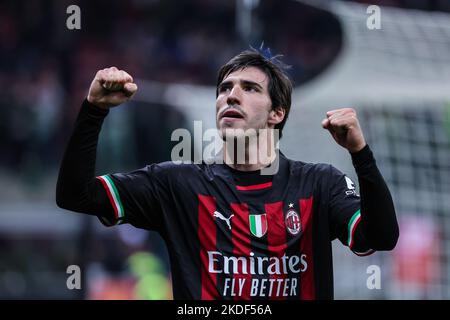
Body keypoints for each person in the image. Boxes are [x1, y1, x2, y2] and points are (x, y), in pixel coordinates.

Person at [56, 49, 399, 300]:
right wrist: (94, 111)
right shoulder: (178, 185)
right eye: (224, 88)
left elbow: (381, 237)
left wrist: (360, 155)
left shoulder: (319, 184)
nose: (230, 95)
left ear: (276, 113)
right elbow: (76, 195)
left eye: (249, 88)